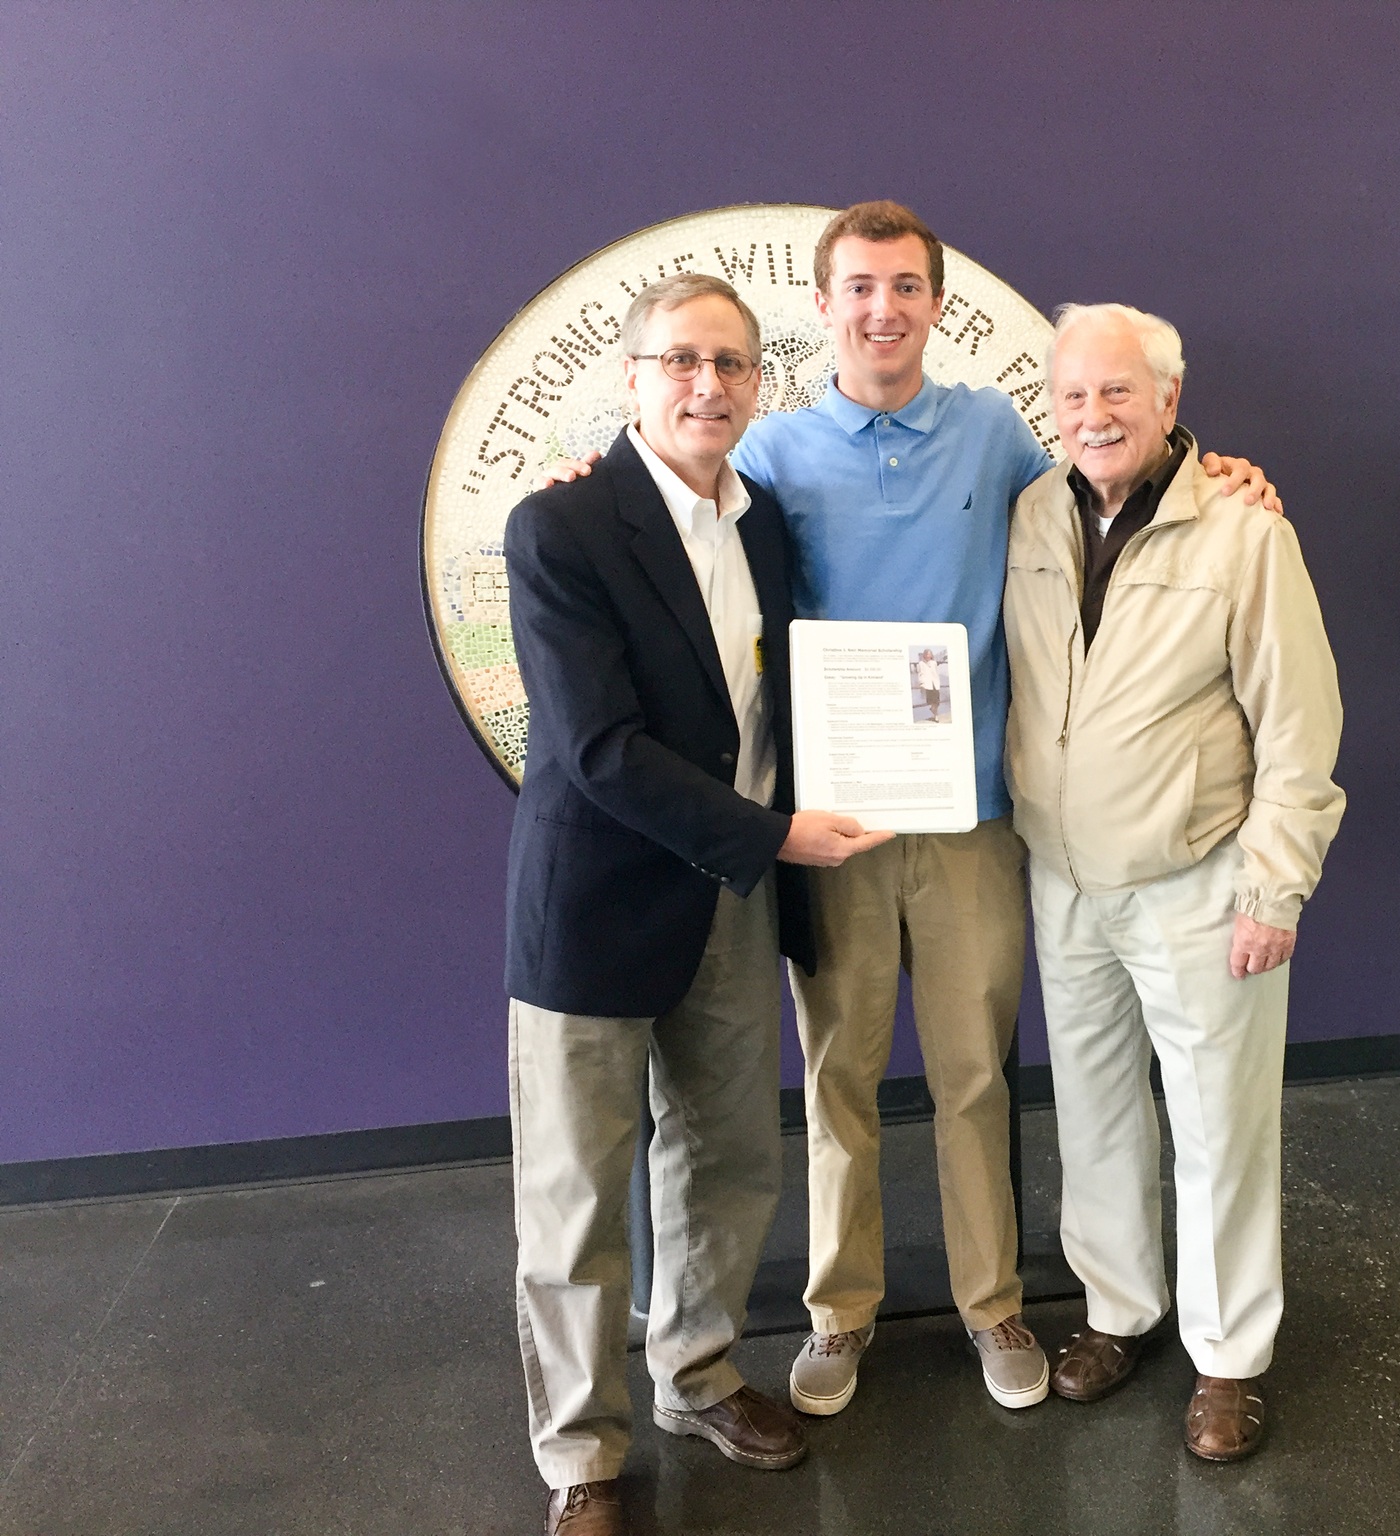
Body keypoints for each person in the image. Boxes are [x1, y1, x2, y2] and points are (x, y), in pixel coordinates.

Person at [548, 201, 1277, 1419]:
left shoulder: (994, 432)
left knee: (972, 1077)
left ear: (934, 304)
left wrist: (1216, 465)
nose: (881, 309)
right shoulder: (770, 452)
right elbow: (660, 509)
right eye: (857, 289)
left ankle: (993, 1303)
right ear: (822, 308)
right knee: (838, 1080)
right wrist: (589, 467)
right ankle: (840, 1315)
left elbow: (1110, 484)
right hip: (826, 831)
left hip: (972, 826)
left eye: (903, 287)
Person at [504, 272, 889, 1536]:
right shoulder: (559, 529)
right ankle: (579, 1455)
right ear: (631, 378)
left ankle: (698, 1373)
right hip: (597, 906)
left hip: (731, 898)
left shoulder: (764, 521)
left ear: (756, 383)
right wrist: (776, 833)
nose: (705, 385)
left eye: (728, 365)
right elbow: (597, 749)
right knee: (576, 1192)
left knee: (726, 1158)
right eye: (679, 361)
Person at [1003, 303, 1344, 1462]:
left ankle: (1228, 1359)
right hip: (1063, 880)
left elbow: (1299, 728)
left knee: (1218, 1129)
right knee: (1094, 1118)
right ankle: (1116, 1313)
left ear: (1167, 400)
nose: (1092, 415)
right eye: (1073, 395)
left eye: (1117, 393)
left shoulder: (1244, 533)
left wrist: (1274, 889)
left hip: (1197, 881)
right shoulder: (1029, 514)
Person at [915, 649, 943, 721]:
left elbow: (936, 672)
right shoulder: (921, 663)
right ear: (924, 655)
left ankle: (933, 710)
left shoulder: (934, 663)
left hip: (935, 683)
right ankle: (936, 716)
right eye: (927, 654)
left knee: (937, 702)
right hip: (928, 684)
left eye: (929, 654)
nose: (928, 656)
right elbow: (920, 674)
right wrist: (921, 683)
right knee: (932, 701)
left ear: (931, 655)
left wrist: (938, 681)